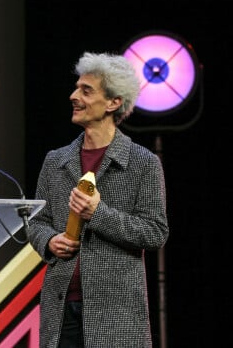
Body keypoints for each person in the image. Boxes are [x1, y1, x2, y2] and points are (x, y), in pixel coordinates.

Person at [26, 52, 169, 347]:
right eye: (77, 87)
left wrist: (98, 214)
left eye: (86, 90)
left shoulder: (143, 163)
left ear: (113, 102)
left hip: (116, 314)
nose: (73, 95)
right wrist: (49, 241)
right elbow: (37, 221)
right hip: (61, 307)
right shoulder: (56, 161)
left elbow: (155, 232)